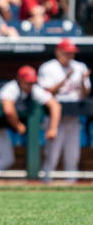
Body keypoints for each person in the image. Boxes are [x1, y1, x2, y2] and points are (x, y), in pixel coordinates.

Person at [0, 66, 61, 184]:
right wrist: (18, 125)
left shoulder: (35, 89)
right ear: (19, 79)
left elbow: (55, 105)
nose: (30, 85)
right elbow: (8, 110)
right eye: (27, 82)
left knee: (7, 158)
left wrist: (53, 128)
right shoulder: (11, 87)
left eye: (32, 82)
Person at [38, 39, 90, 181]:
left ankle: (71, 185)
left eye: (72, 53)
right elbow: (47, 92)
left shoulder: (80, 67)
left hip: (73, 117)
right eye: (67, 53)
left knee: (73, 155)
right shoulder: (48, 67)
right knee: (52, 154)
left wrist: (83, 82)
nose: (70, 56)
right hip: (55, 117)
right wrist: (65, 79)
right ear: (58, 52)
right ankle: (45, 183)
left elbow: (85, 94)